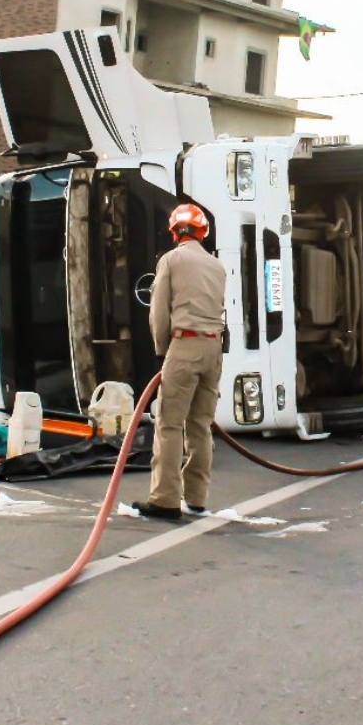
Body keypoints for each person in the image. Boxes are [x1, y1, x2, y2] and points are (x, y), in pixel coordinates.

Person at [132, 201, 227, 521]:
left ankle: (165, 499)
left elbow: (159, 311)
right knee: (200, 425)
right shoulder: (216, 265)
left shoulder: (171, 261)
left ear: (174, 232)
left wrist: (162, 350)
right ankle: (197, 497)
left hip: (184, 346)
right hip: (214, 348)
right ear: (203, 232)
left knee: (170, 424)